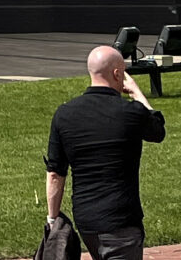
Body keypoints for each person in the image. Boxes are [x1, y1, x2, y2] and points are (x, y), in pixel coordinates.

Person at [44, 44, 169, 260]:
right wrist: (137, 92)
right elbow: (157, 130)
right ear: (117, 73)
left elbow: (55, 173)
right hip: (120, 219)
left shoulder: (64, 114)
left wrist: (53, 219)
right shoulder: (130, 112)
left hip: (86, 219)